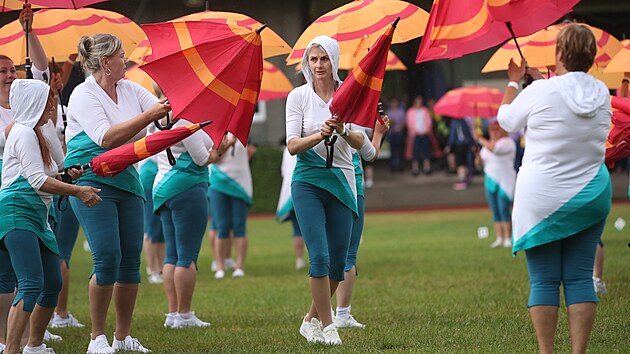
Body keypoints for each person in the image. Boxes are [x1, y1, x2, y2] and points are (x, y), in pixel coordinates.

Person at [497, 24, 611, 354]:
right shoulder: (602, 92)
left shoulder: (540, 91)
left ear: (559, 53)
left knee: (545, 280)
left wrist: (514, 81)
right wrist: (541, 81)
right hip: (592, 193)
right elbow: (568, 95)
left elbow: (507, 121)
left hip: (542, 197)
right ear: (591, 56)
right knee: (578, 278)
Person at [65, 34, 170, 353]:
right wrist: (151, 116)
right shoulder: (83, 94)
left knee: (129, 263)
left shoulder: (129, 88)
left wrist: (172, 104)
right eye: (122, 56)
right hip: (88, 180)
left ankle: (123, 337)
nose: (127, 60)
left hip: (126, 179)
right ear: (105, 62)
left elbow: (161, 119)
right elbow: (106, 138)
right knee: (107, 257)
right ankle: (97, 338)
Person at [0, 79, 101, 354]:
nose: (53, 104)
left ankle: (33, 346)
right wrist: (78, 191)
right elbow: (36, 180)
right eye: (48, 99)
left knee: (52, 282)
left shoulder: (35, 133)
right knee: (31, 283)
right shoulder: (22, 132)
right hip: (17, 210)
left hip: (35, 213)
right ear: (34, 103)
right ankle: (11, 350)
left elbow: (42, 176)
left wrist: (65, 176)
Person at [286, 35, 365, 346]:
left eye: (324, 59)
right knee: (318, 256)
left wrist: (344, 129)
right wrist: (320, 134)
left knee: (338, 263)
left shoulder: (350, 95)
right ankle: (329, 326)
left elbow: (364, 146)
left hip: (343, 181)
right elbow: (292, 145)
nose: (318, 65)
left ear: (334, 61)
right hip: (307, 181)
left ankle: (310, 320)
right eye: (313, 59)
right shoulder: (298, 97)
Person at [152, 116, 218, 328]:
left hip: (162, 187)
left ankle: (172, 314)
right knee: (187, 255)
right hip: (187, 187)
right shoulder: (184, 122)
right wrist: (217, 150)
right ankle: (185, 315)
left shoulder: (154, 121)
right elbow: (201, 158)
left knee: (172, 255)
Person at [334, 117, 390, 329]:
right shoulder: (350, 110)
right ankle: (339, 313)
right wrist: (377, 134)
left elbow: (368, 151)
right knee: (347, 253)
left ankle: (330, 314)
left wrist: (378, 134)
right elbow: (369, 153)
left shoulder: (304, 101)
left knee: (328, 253)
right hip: (348, 174)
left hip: (322, 175)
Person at [210, 134, 252, 279]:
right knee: (221, 226)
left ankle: (239, 266)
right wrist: (228, 143)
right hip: (218, 182)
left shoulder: (243, 132)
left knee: (239, 226)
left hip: (240, 184)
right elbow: (214, 157)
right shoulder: (216, 132)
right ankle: (220, 266)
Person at [476, 122, 516, 248]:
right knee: (495, 210)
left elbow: (495, 150)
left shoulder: (507, 143)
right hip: (490, 179)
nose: (494, 132)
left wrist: (480, 139)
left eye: (497, 130)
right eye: (492, 130)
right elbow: (480, 163)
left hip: (505, 180)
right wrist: (477, 155)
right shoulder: (486, 146)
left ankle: (508, 237)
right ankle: (499, 237)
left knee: (504, 208)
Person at [276, 145, 305, 270]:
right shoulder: (312, 141)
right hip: (306, 187)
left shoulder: (288, 149)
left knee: (297, 228)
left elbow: (283, 171)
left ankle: (299, 259)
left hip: (290, 191)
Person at [406, 96, 432, 175]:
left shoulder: (425, 110)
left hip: (424, 133)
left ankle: (427, 167)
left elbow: (429, 122)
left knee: (426, 151)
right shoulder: (410, 111)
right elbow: (409, 123)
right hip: (415, 134)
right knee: (415, 151)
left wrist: (426, 130)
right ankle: (415, 168)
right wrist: (416, 131)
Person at [446, 118, 474, 190]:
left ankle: (462, 180)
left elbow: (452, 135)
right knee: (465, 162)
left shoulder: (454, 122)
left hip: (459, 145)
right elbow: (468, 133)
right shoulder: (464, 121)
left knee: (460, 163)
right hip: (466, 144)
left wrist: (449, 145)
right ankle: (467, 177)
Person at [385, 97, 405, 172]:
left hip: (399, 133)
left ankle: (400, 165)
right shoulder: (388, 112)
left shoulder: (401, 111)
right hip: (391, 133)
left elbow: (403, 121)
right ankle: (393, 166)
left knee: (399, 150)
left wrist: (399, 128)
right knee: (392, 150)